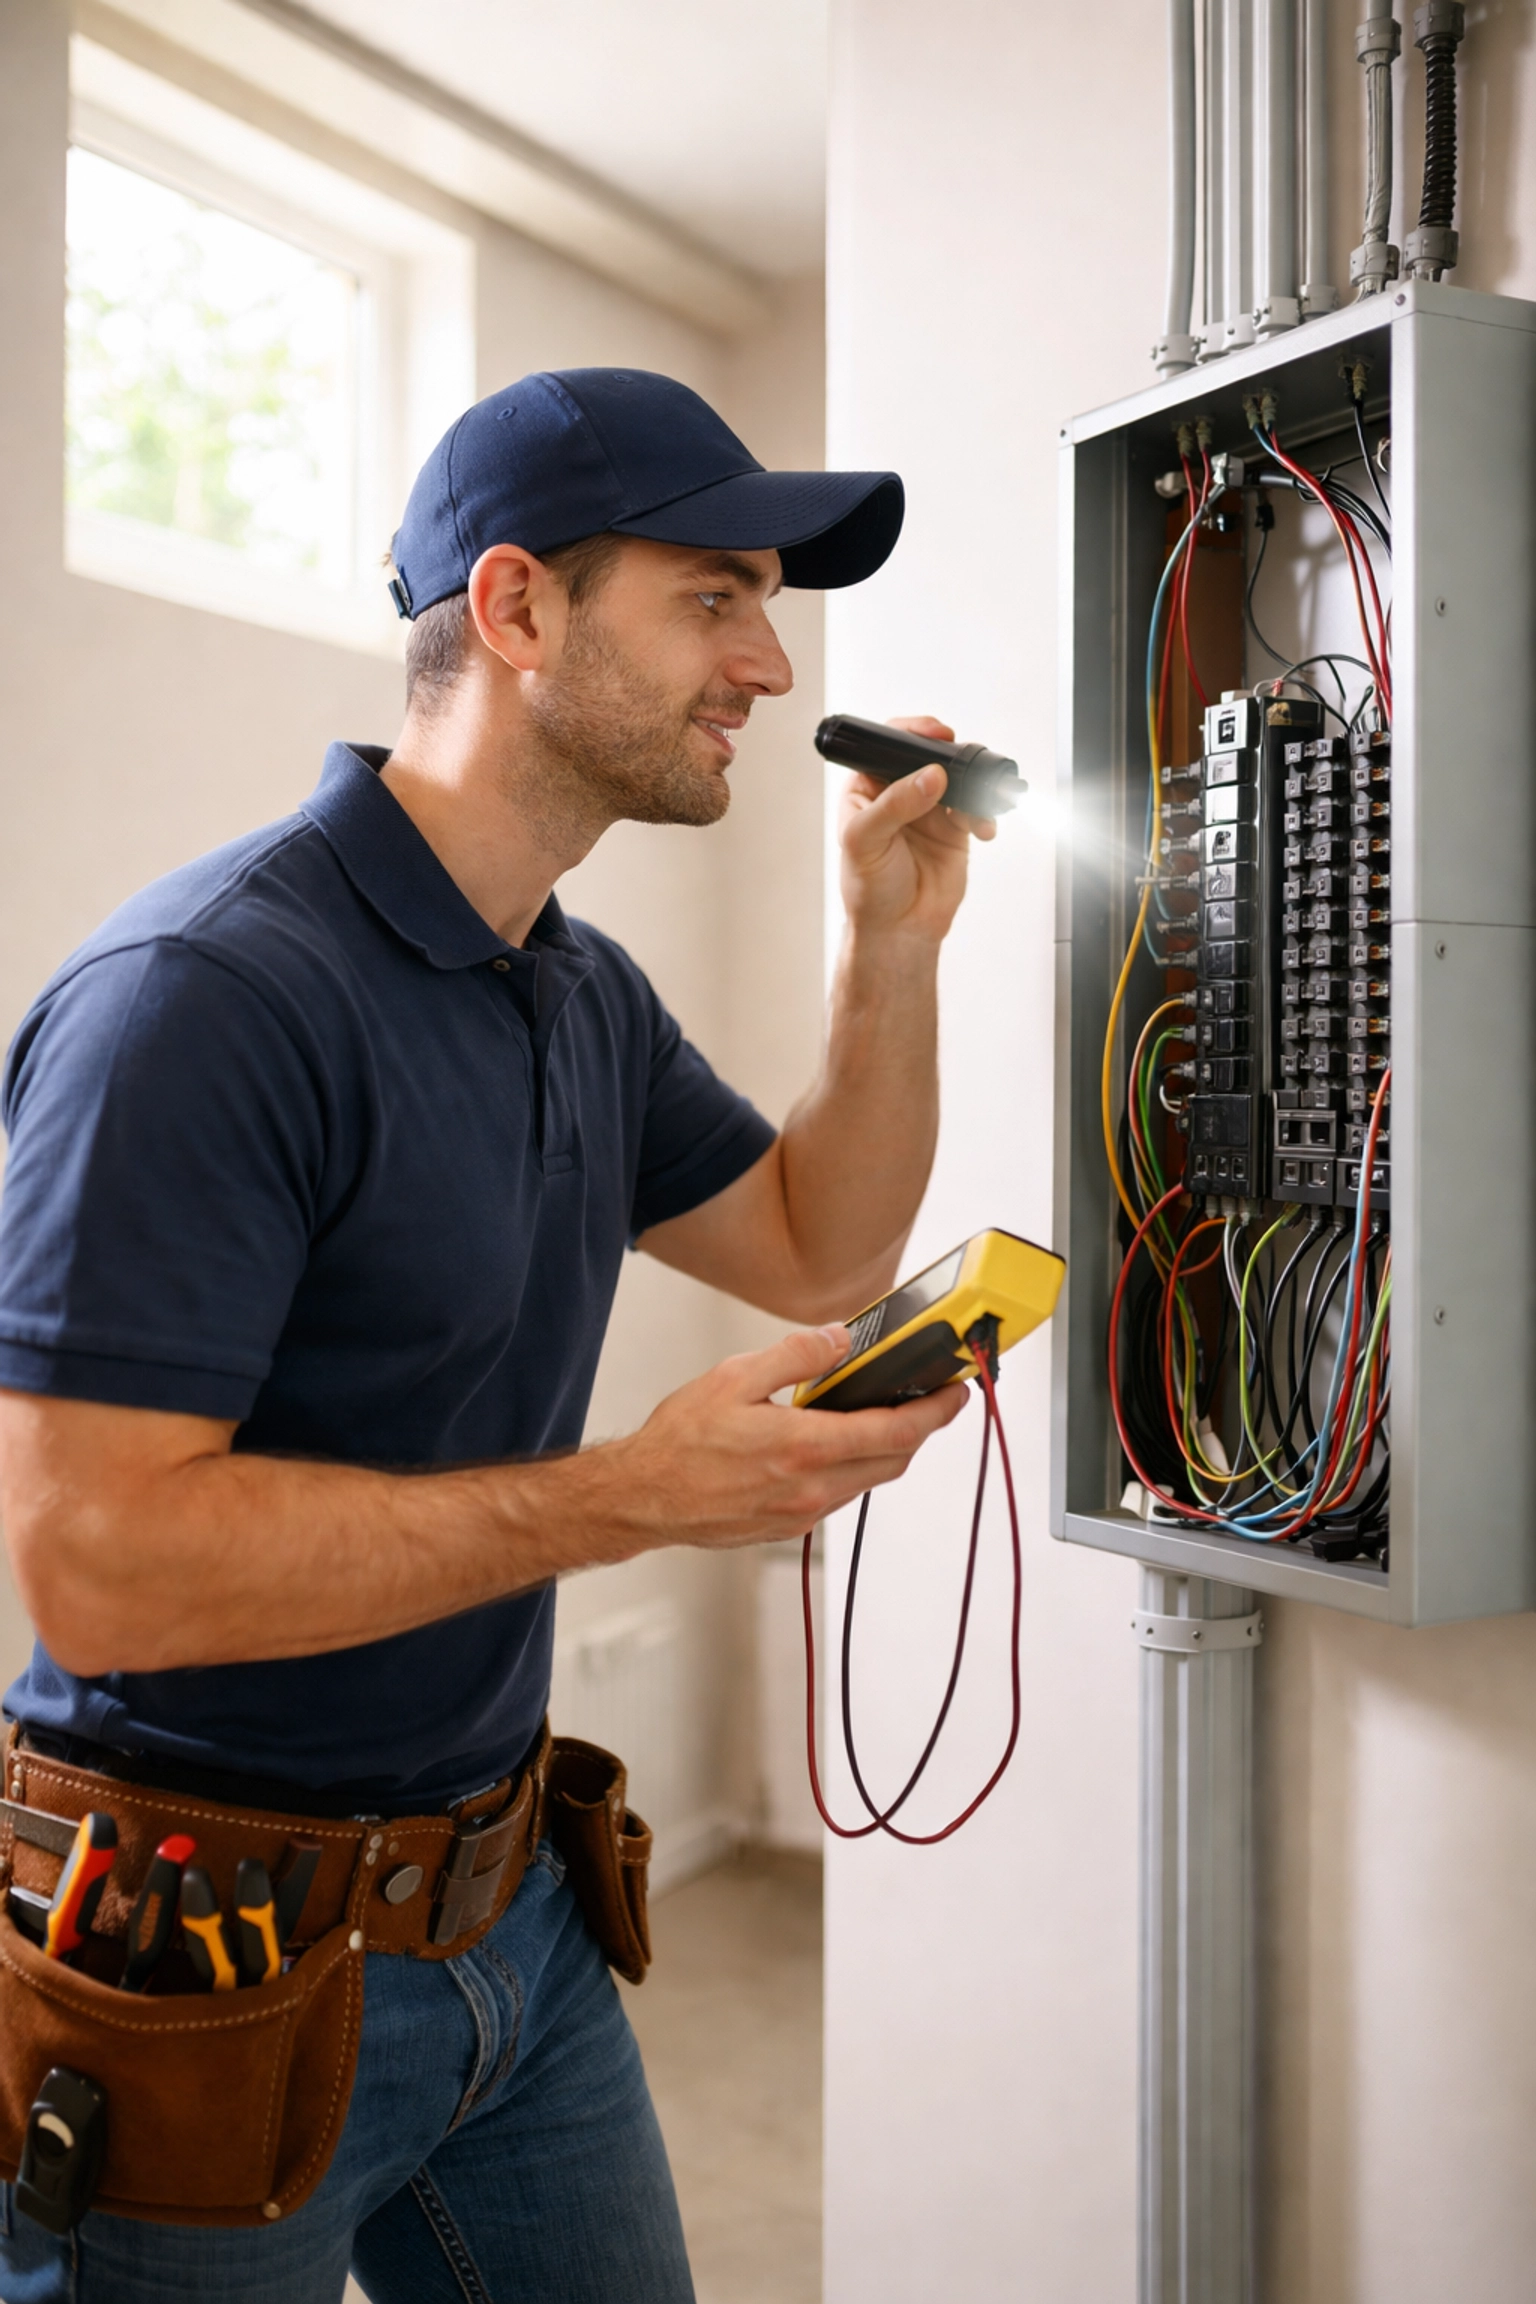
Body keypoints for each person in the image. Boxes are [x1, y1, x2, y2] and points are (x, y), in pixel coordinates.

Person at [0, 367, 991, 2302]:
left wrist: (888, 946)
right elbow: (96, 1567)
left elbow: (816, 1244)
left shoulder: (578, 993)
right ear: (522, 610)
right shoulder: (201, 1003)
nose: (770, 668)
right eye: (717, 596)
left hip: (510, 1922)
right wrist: (628, 1495)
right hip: (200, 1967)